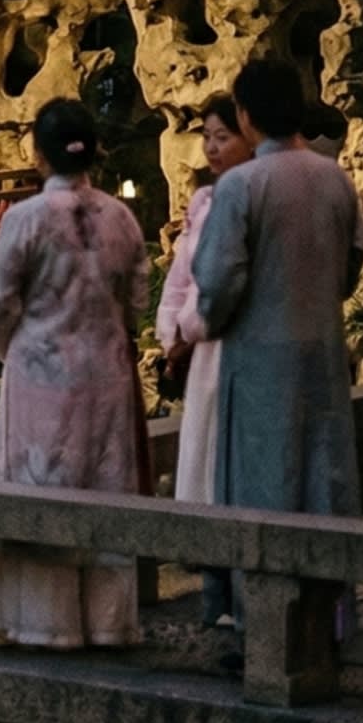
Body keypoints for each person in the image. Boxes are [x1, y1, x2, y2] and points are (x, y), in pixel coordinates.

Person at [0, 97, 150, 649]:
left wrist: (15, 350)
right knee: (104, 487)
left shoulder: (25, 218)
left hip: (40, 374)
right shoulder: (120, 216)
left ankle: (44, 624)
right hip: (107, 371)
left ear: (39, 154)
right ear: (94, 151)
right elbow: (139, 295)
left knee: (42, 487)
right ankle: (107, 623)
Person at [189, 60, 362, 528]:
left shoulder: (241, 186)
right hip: (323, 360)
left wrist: (209, 323)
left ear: (245, 116)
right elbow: (349, 273)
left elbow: (216, 283)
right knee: (323, 498)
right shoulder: (336, 179)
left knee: (263, 507)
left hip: (259, 368)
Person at [156, 95, 251, 622]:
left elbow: (220, 284)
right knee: (202, 462)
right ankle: (215, 591)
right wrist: (169, 331)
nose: (213, 148)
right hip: (198, 348)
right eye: (207, 137)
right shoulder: (203, 201)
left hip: (224, 344)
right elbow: (180, 277)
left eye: (224, 137)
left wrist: (189, 331)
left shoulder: (247, 197)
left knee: (226, 463)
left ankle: (235, 599)